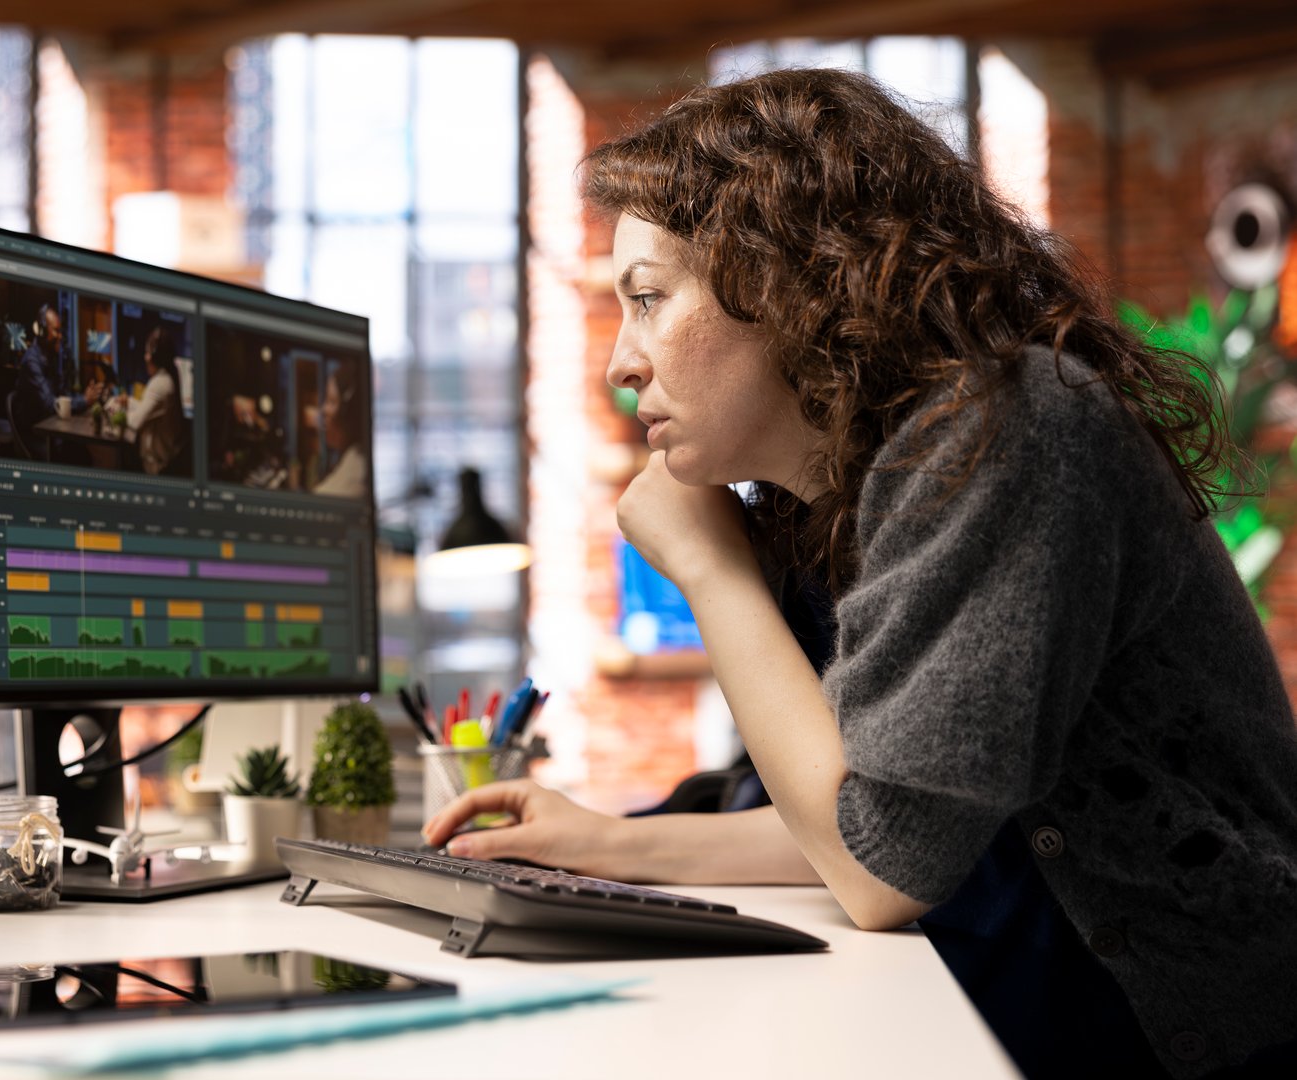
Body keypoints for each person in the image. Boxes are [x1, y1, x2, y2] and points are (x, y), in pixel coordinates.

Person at [423, 70, 1297, 1078]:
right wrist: (594, 844)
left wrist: (712, 572)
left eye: (649, 301)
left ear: (791, 282)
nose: (619, 365)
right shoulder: (829, 496)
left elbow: (878, 867)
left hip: (1186, 1042)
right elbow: (860, 817)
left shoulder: (1007, 429)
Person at [10, 302, 98, 458]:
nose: (60, 336)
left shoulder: (51, 358)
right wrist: (83, 401)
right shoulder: (32, 362)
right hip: (36, 434)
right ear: (42, 332)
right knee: (79, 456)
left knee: (84, 454)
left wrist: (84, 399)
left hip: (52, 429)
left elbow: (62, 395)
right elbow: (51, 404)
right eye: (56, 331)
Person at [114, 325, 188, 476]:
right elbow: (147, 408)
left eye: (148, 352)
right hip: (162, 463)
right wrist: (128, 402)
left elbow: (135, 422)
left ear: (156, 356)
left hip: (157, 468)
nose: (145, 357)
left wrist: (116, 410)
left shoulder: (160, 384)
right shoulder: (165, 378)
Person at [313, 362, 367, 498]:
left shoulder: (355, 471)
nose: (323, 410)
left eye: (331, 401)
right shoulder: (350, 457)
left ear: (348, 413)